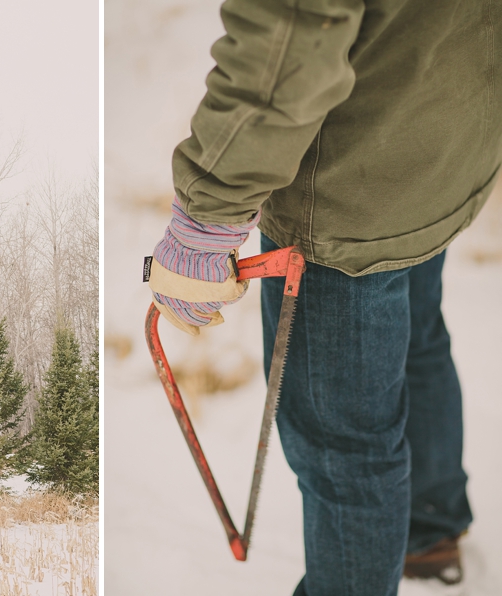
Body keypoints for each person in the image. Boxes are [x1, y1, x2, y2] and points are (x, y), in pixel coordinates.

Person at [148, 1, 502, 595]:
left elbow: (290, 35)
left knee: (347, 454)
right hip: (443, 138)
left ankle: (418, 535)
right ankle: (428, 531)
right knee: (417, 338)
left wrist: (209, 210)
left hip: (346, 190)